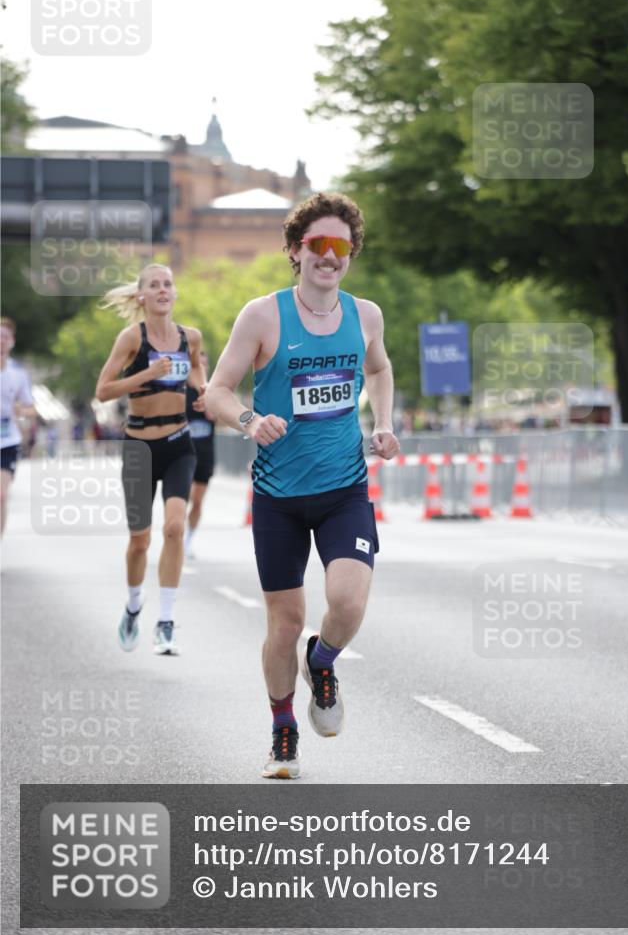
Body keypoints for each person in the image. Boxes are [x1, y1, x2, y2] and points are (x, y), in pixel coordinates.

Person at [206, 192, 400, 779]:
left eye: (341, 246)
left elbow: (380, 367)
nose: (330, 255)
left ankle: (324, 659)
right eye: (318, 244)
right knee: (283, 624)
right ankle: (283, 731)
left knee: (347, 602)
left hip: (344, 488)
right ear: (296, 250)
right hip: (278, 498)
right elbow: (216, 390)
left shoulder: (365, 315)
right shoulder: (263, 316)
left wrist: (384, 423)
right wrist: (248, 419)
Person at [95, 264, 206, 655]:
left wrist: (205, 389)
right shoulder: (131, 338)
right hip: (138, 447)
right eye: (154, 285)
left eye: (168, 284)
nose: (162, 290)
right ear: (142, 296)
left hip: (178, 442)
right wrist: (147, 373)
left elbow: (197, 374)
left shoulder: (189, 337)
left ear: (175, 293)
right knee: (139, 541)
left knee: (174, 528)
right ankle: (134, 604)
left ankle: (166, 621)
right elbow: (104, 390)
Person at [1, 317, 36, 537]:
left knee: (1, 496)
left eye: (5, 337)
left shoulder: (18, 374)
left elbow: (32, 409)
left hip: (7, 440)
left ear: (12, 341)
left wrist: (21, 411)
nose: (1, 342)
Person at [184, 350, 216, 559]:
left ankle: (188, 539)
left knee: (197, 501)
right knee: (181, 498)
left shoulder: (212, 391)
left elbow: (214, 416)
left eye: (205, 365)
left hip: (205, 452)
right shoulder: (181, 391)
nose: (201, 369)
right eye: (198, 365)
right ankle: (175, 535)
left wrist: (207, 396)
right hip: (184, 453)